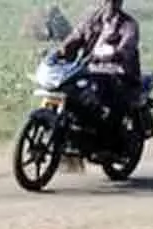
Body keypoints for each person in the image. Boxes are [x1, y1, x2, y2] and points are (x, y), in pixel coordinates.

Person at [54, 0, 142, 152]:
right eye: (107, 1)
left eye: (114, 1)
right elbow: (76, 36)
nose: (109, 4)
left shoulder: (129, 25)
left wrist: (113, 55)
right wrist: (61, 51)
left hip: (119, 72)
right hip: (90, 69)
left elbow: (127, 47)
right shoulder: (92, 19)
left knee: (109, 102)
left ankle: (109, 142)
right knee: (73, 92)